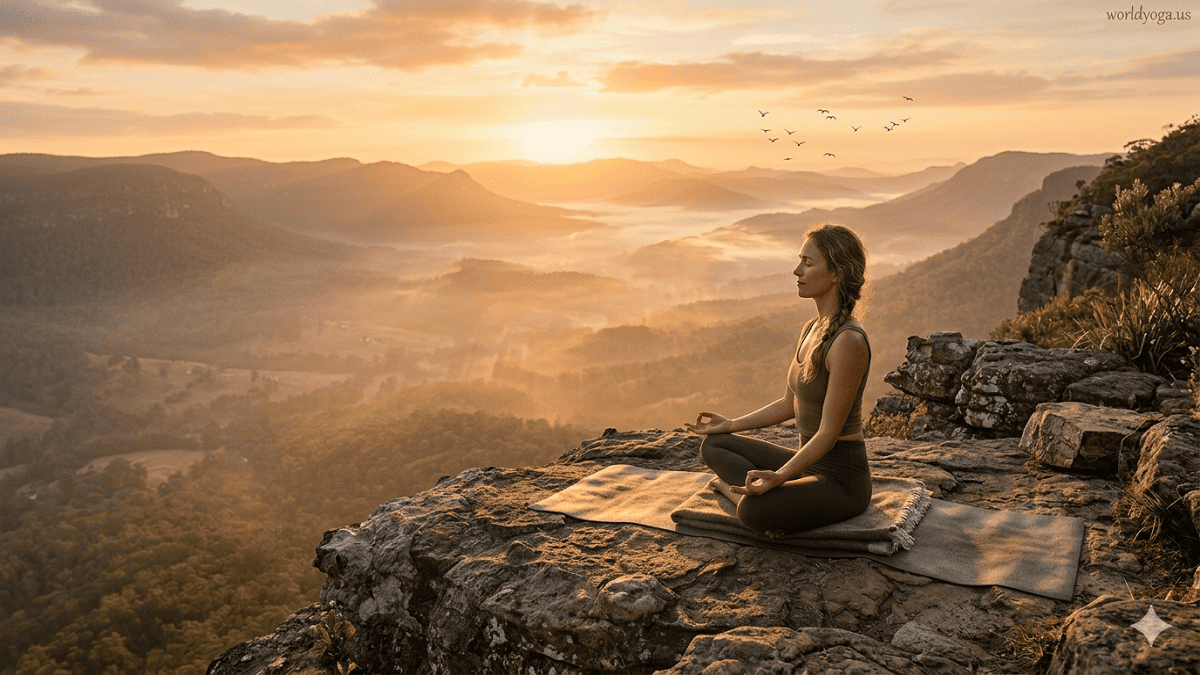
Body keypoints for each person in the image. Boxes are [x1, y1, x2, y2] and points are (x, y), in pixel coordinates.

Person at [685, 223, 872, 537]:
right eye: (799, 260)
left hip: (841, 481)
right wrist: (729, 424)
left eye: (808, 263)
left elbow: (828, 433)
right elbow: (789, 404)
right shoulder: (810, 328)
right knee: (715, 445)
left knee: (754, 512)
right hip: (806, 466)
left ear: (837, 273)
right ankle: (772, 500)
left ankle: (740, 495)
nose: (796, 271)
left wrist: (781, 475)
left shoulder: (848, 342)